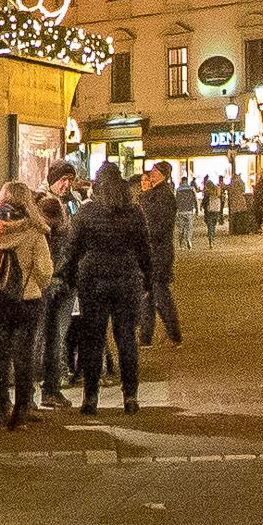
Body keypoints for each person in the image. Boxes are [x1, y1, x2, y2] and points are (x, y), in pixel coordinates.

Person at [64, 163, 152, 414]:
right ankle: (131, 397)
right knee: (126, 340)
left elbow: (72, 249)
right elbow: (144, 249)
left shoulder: (86, 212)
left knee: (92, 339)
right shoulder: (134, 212)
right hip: (127, 281)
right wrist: (147, 279)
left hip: (93, 282)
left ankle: (90, 398)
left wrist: (69, 278)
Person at [0, 179, 53, 433]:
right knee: (24, 357)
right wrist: (35, 285)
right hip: (26, 301)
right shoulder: (33, 232)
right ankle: (21, 412)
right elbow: (44, 271)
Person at [33, 161, 79, 407]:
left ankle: (51, 388)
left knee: (57, 336)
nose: (67, 184)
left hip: (67, 279)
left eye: (70, 179)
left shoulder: (72, 202)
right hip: (47, 280)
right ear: (52, 179)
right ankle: (35, 390)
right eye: (63, 179)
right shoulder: (41, 202)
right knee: (41, 336)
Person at [138, 163, 181, 345]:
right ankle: (146, 336)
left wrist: (146, 195)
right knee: (147, 295)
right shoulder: (156, 194)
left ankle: (174, 334)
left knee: (159, 295)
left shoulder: (164, 196)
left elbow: (157, 225)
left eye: (155, 171)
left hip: (158, 253)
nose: (151, 174)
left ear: (163, 174)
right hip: (151, 253)